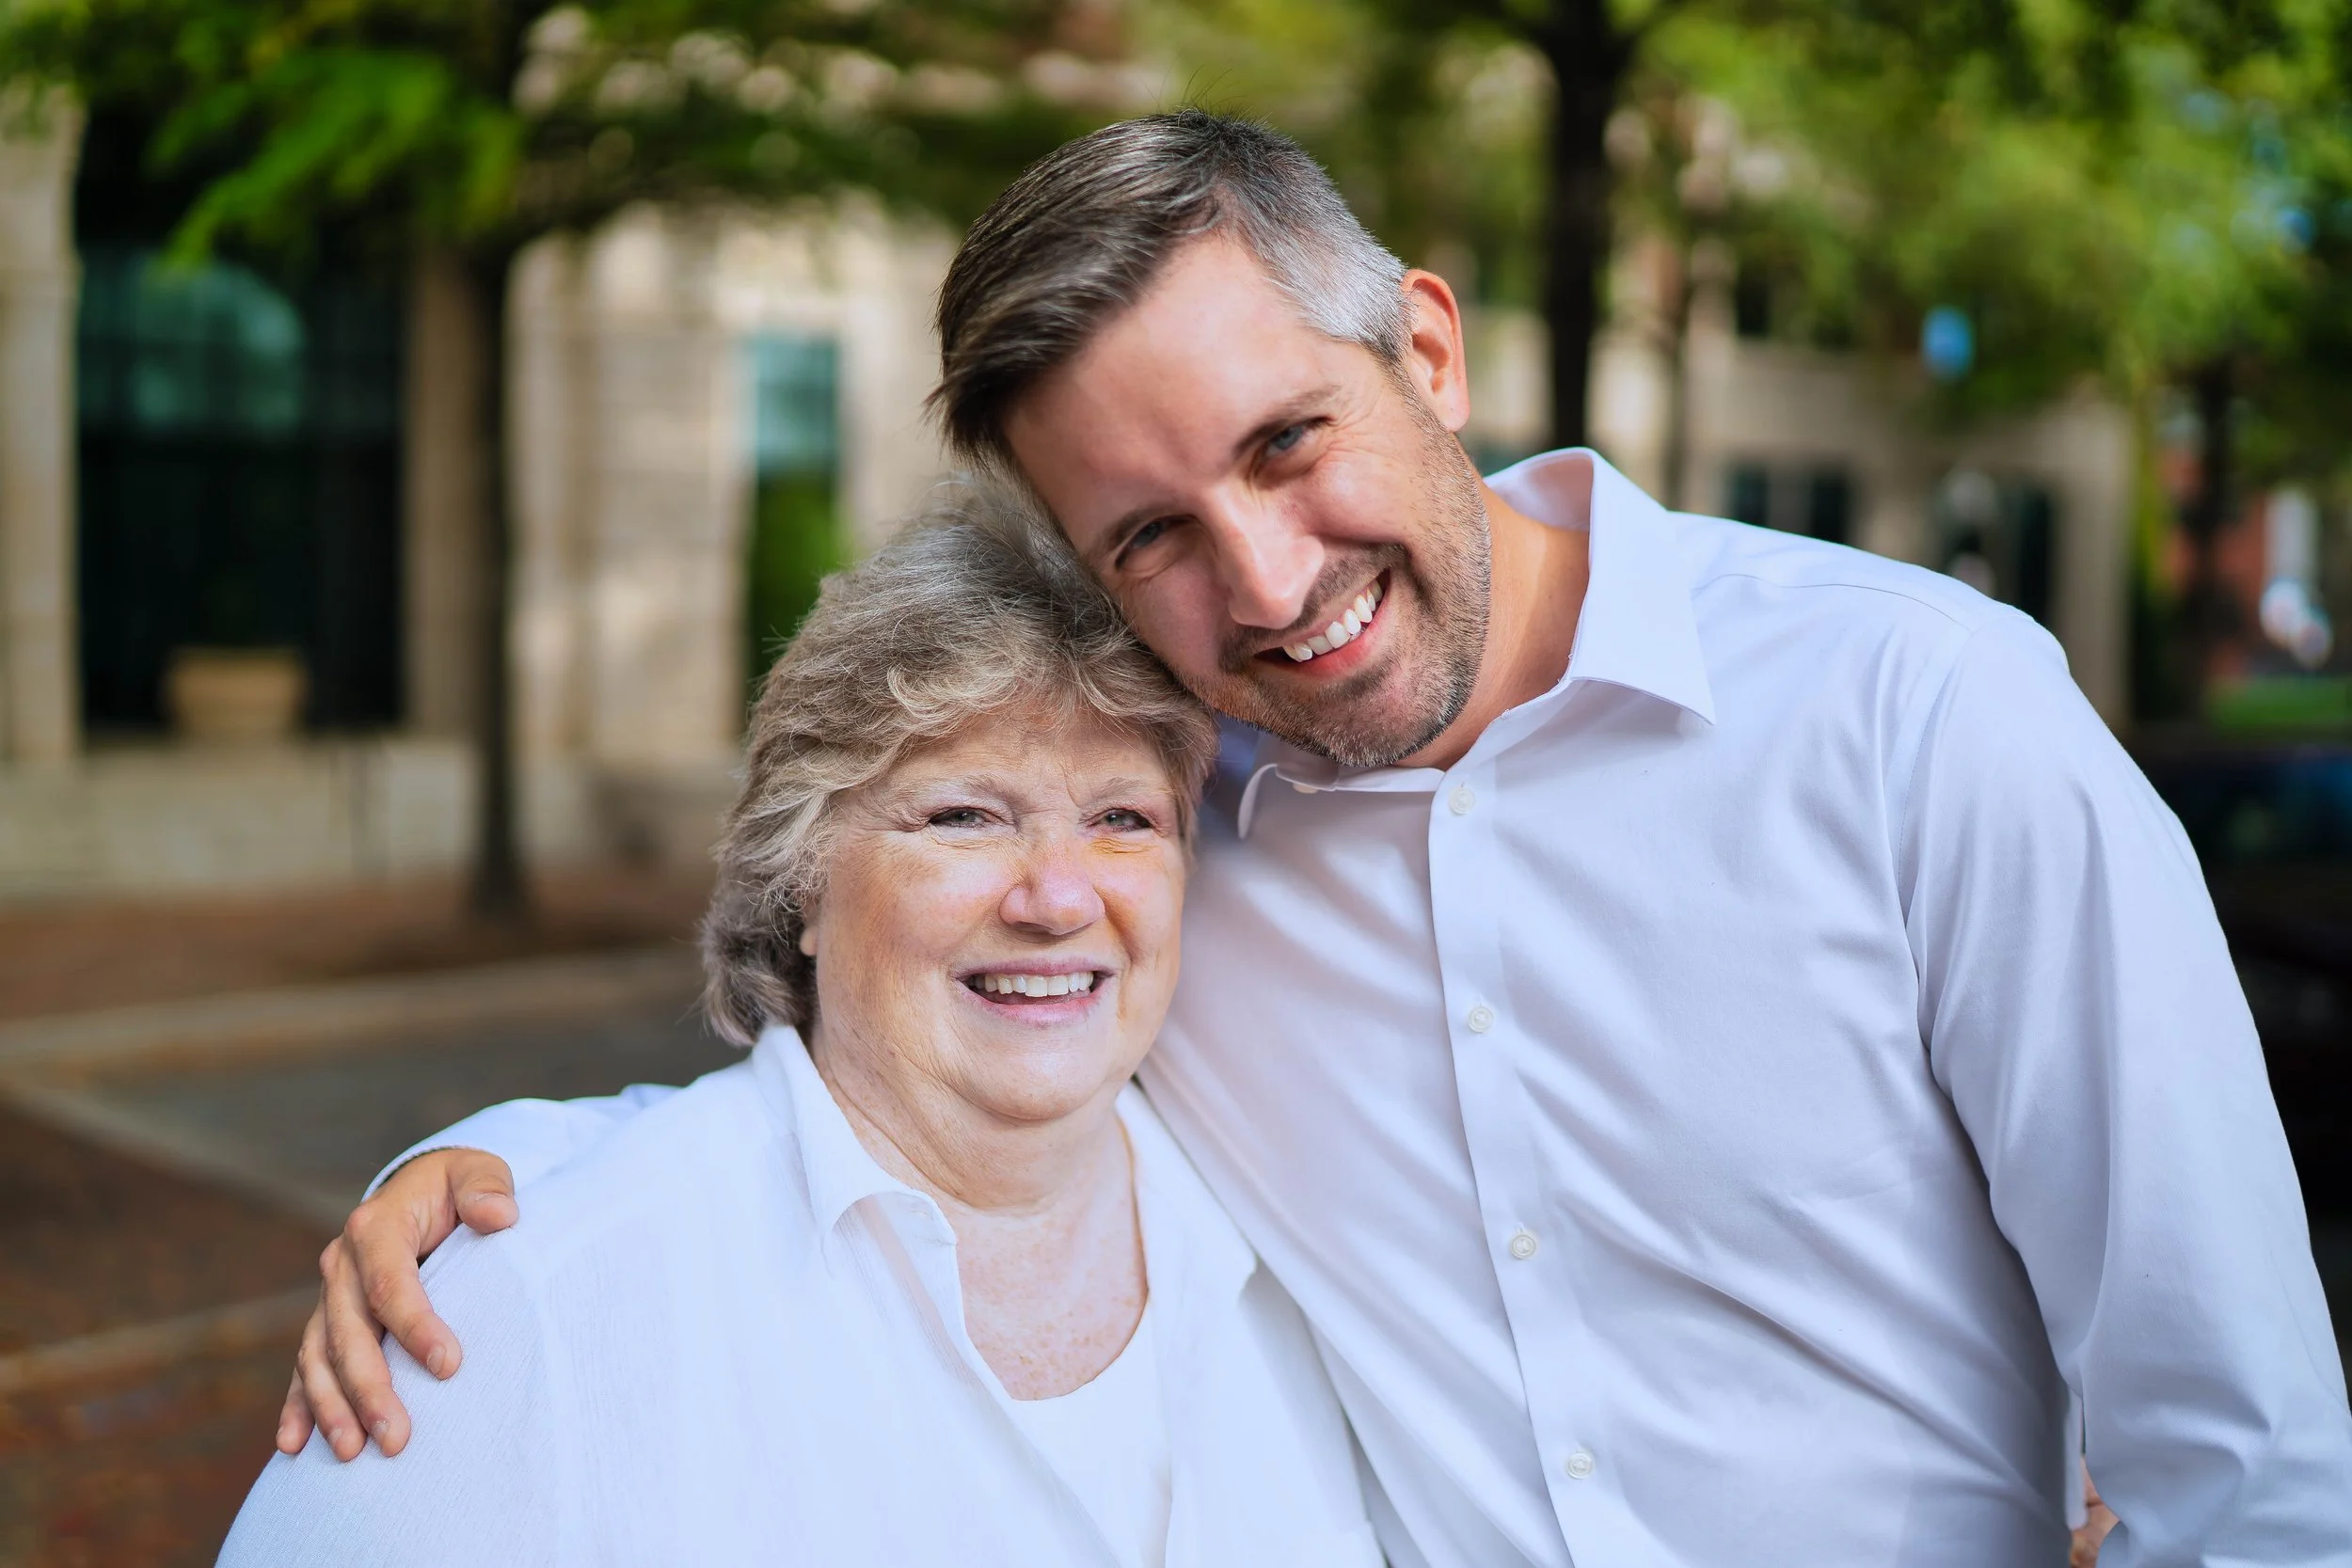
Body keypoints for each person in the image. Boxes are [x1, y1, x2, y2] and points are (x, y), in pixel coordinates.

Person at [288, 112, 2352, 1564]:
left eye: (1287, 443)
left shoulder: (1921, 715)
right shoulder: (1188, 832)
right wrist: (491, 1182)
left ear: (1424, 348)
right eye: (1151, 536)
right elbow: (919, 1024)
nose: (1266, 581)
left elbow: (2238, 1443)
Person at [223, 498, 1382, 1566]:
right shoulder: (515, 1309)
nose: (1057, 896)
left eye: (1123, 817)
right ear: (804, 885)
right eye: (964, 814)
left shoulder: (1307, 1244)